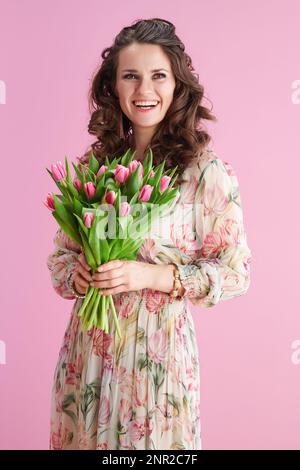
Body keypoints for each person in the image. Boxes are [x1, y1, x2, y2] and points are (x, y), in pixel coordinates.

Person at [47, 18, 252, 450]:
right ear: (114, 88)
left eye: (158, 75)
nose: (144, 90)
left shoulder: (203, 171)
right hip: (90, 354)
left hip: (156, 358)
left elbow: (235, 273)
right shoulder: (96, 166)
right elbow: (61, 260)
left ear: (177, 84)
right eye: (130, 76)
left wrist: (152, 276)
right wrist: (78, 274)